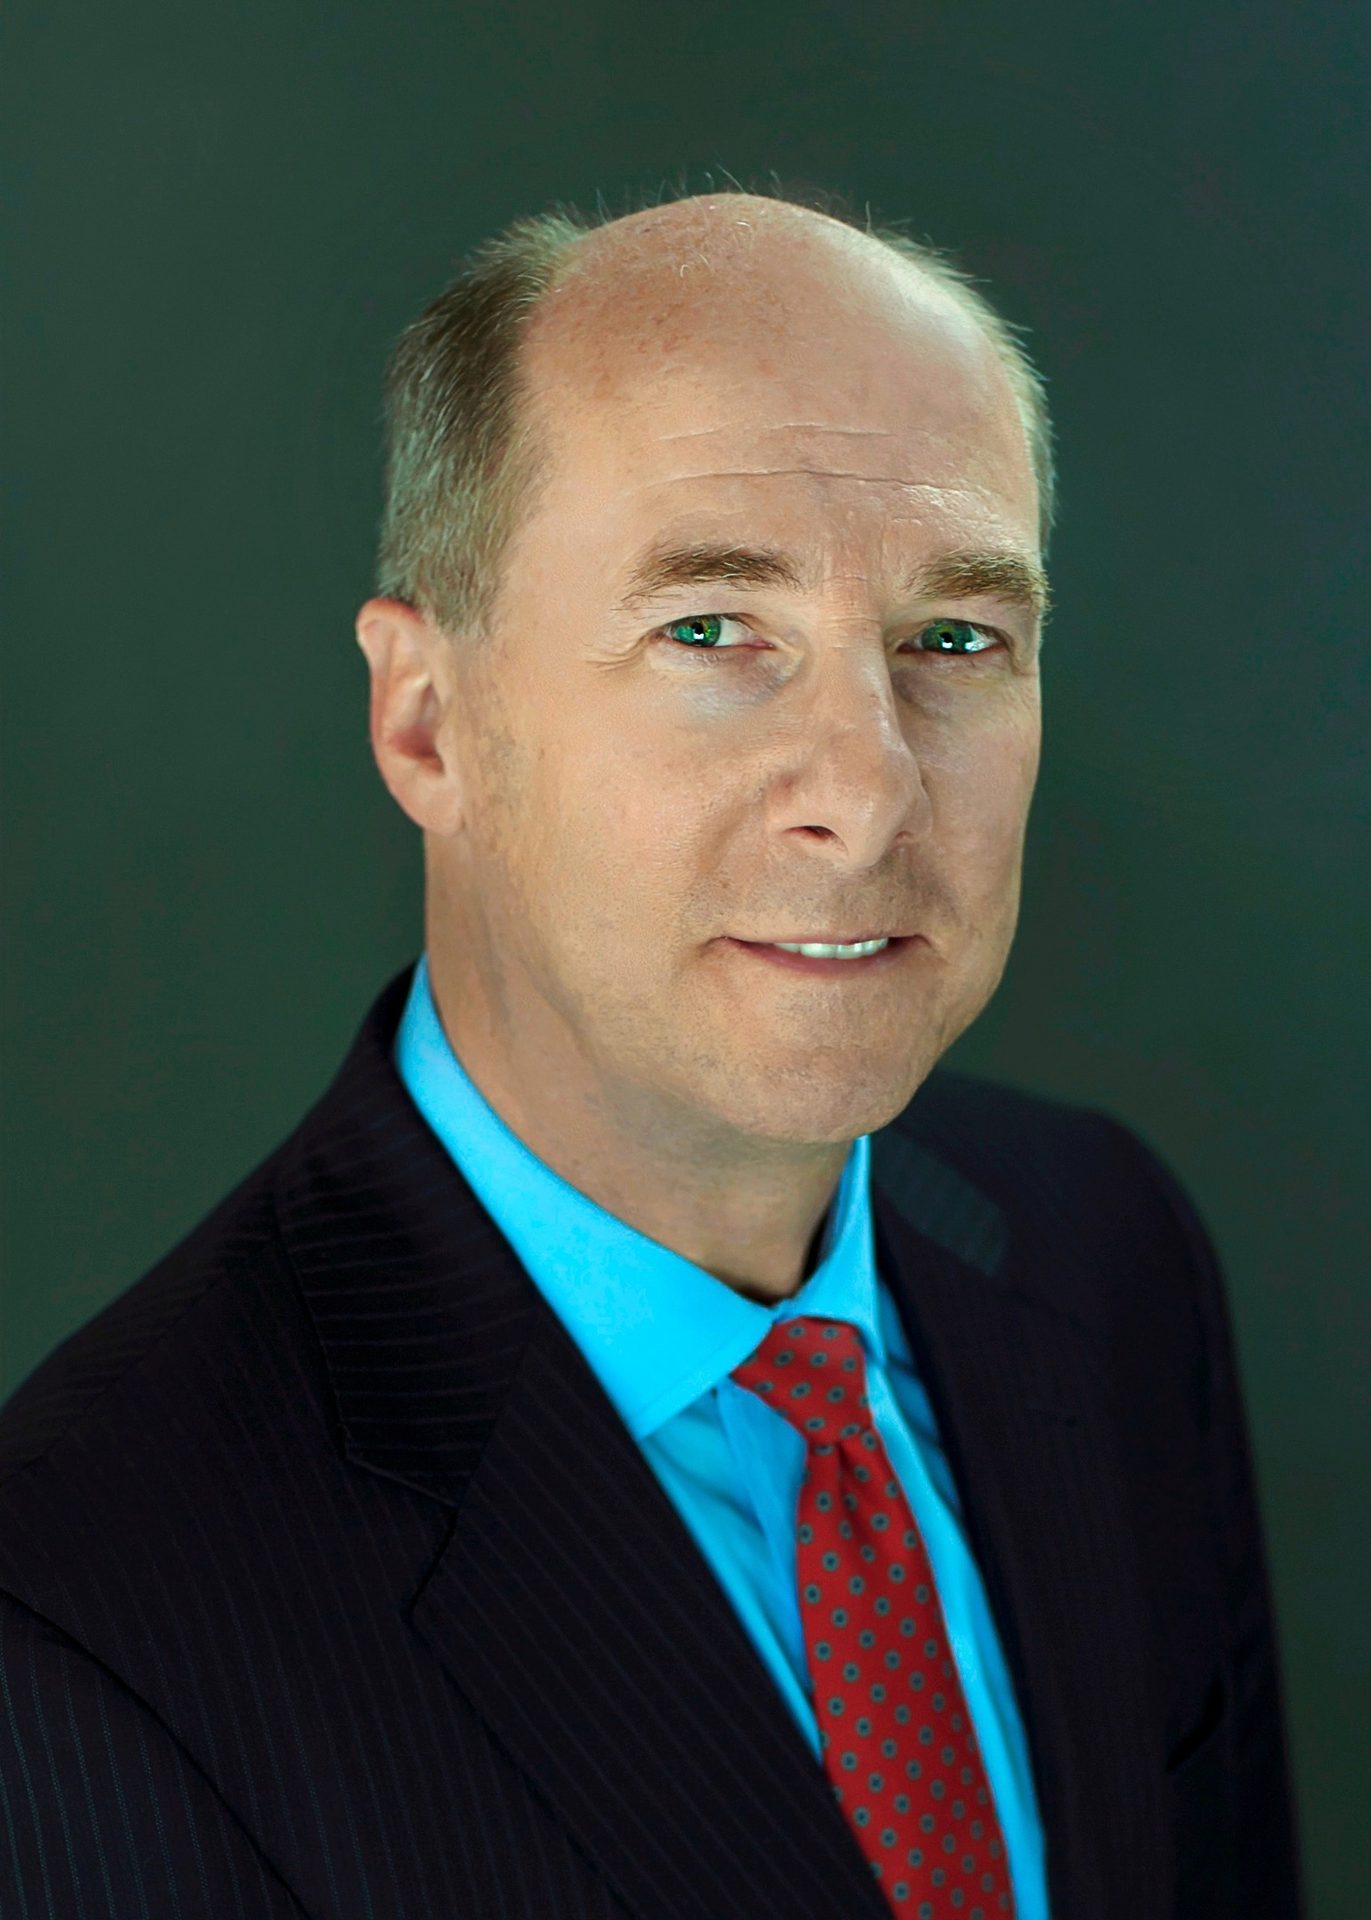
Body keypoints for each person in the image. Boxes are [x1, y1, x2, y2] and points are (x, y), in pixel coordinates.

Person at [0, 184, 1304, 1919]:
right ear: (428, 721)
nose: (865, 791)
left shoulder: (1104, 1254)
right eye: (710, 631)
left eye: (955, 641)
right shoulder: (86, 1609)